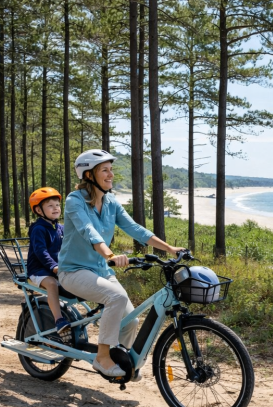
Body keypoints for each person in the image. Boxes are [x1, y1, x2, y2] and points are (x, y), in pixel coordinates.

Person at [58, 149, 185, 379]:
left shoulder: (111, 202)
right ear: (89, 175)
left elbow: (135, 228)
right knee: (116, 297)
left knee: (131, 320)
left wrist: (169, 248)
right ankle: (102, 358)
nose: (111, 174)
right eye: (104, 170)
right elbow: (88, 230)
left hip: (100, 270)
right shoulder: (74, 200)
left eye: (111, 169)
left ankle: (121, 360)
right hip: (74, 271)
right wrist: (109, 255)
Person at [26, 187, 70, 339]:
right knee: (52, 284)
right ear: (39, 210)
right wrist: (53, 266)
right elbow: (41, 251)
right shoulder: (38, 229)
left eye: (57, 205)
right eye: (50, 206)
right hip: (39, 270)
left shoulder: (60, 228)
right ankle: (59, 320)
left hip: (56, 268)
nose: (55, 208)